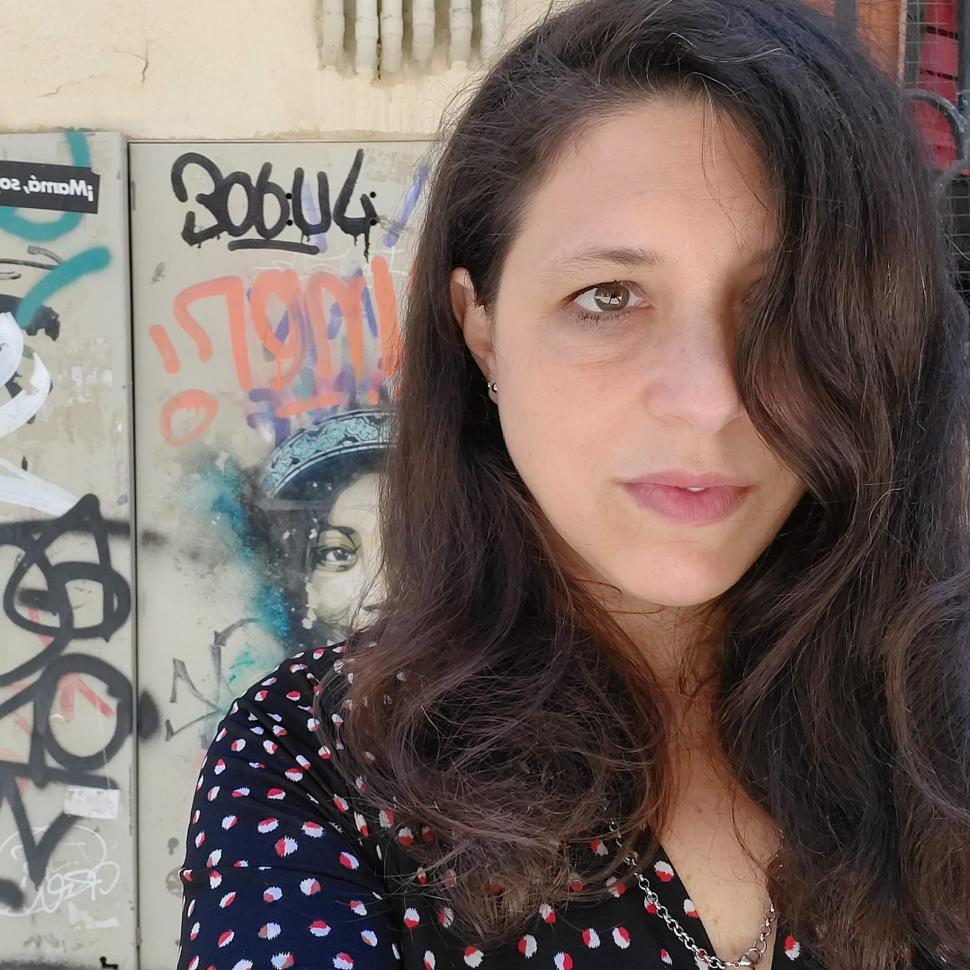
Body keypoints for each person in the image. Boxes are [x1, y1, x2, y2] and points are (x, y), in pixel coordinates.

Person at [174, 0, 970, 967]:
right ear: (481, 328)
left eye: (782, 303)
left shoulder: (940, 734)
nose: (710, 399)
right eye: (608, 297)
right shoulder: (320, 763)